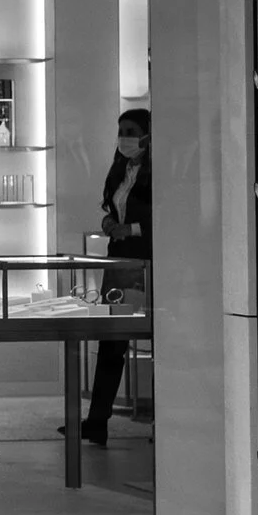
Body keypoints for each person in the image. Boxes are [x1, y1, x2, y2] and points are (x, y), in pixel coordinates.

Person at [78, 110, 153, 445]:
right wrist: (110, 223)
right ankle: (97, 421)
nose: (125, 137)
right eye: (121, 130)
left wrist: (131, 228)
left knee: (141, 337)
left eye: (132, 131)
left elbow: (167, 215)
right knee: (111, 342)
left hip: (146, 264)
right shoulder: (121, 169)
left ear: (148, 135)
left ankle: (162, 421)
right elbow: (112, 208)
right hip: (119, 260)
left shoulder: (158, 171)